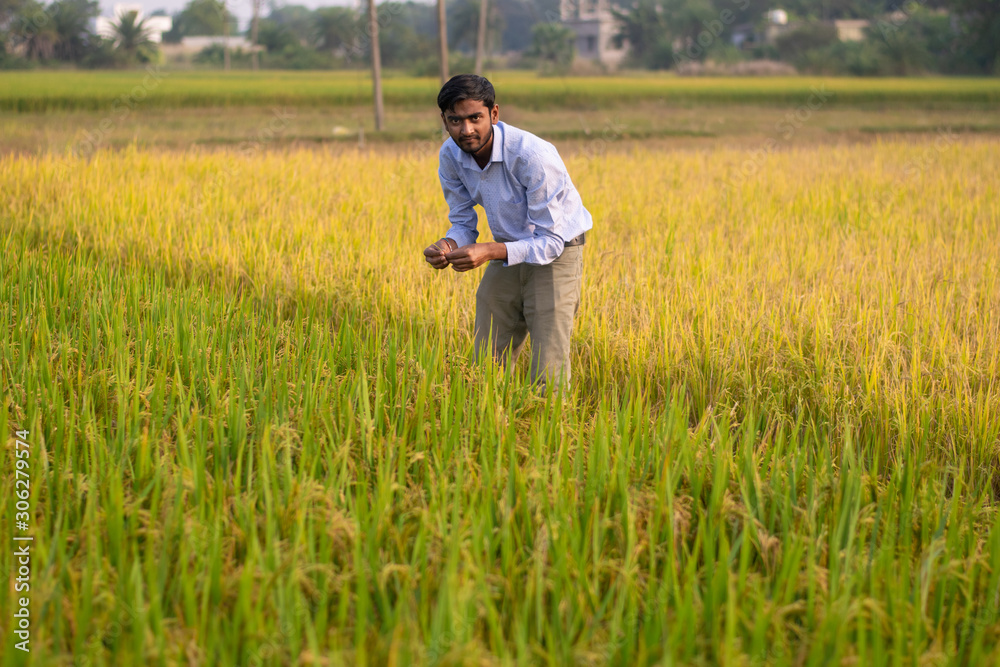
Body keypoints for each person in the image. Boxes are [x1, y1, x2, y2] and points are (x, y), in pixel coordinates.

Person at [423, 74, 593, 391]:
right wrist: (447, 245)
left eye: (475, 118)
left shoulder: (532, 156)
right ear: (445, 122)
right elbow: (462, 221)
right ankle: (488, 421)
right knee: (485, 353)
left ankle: (547, 429)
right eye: (455, 120)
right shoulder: (450, 155)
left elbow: (550, 242)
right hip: (508, 250)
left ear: (494, 114)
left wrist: (489, 251)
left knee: (548, 363)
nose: (466, 129)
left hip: (556, 252)